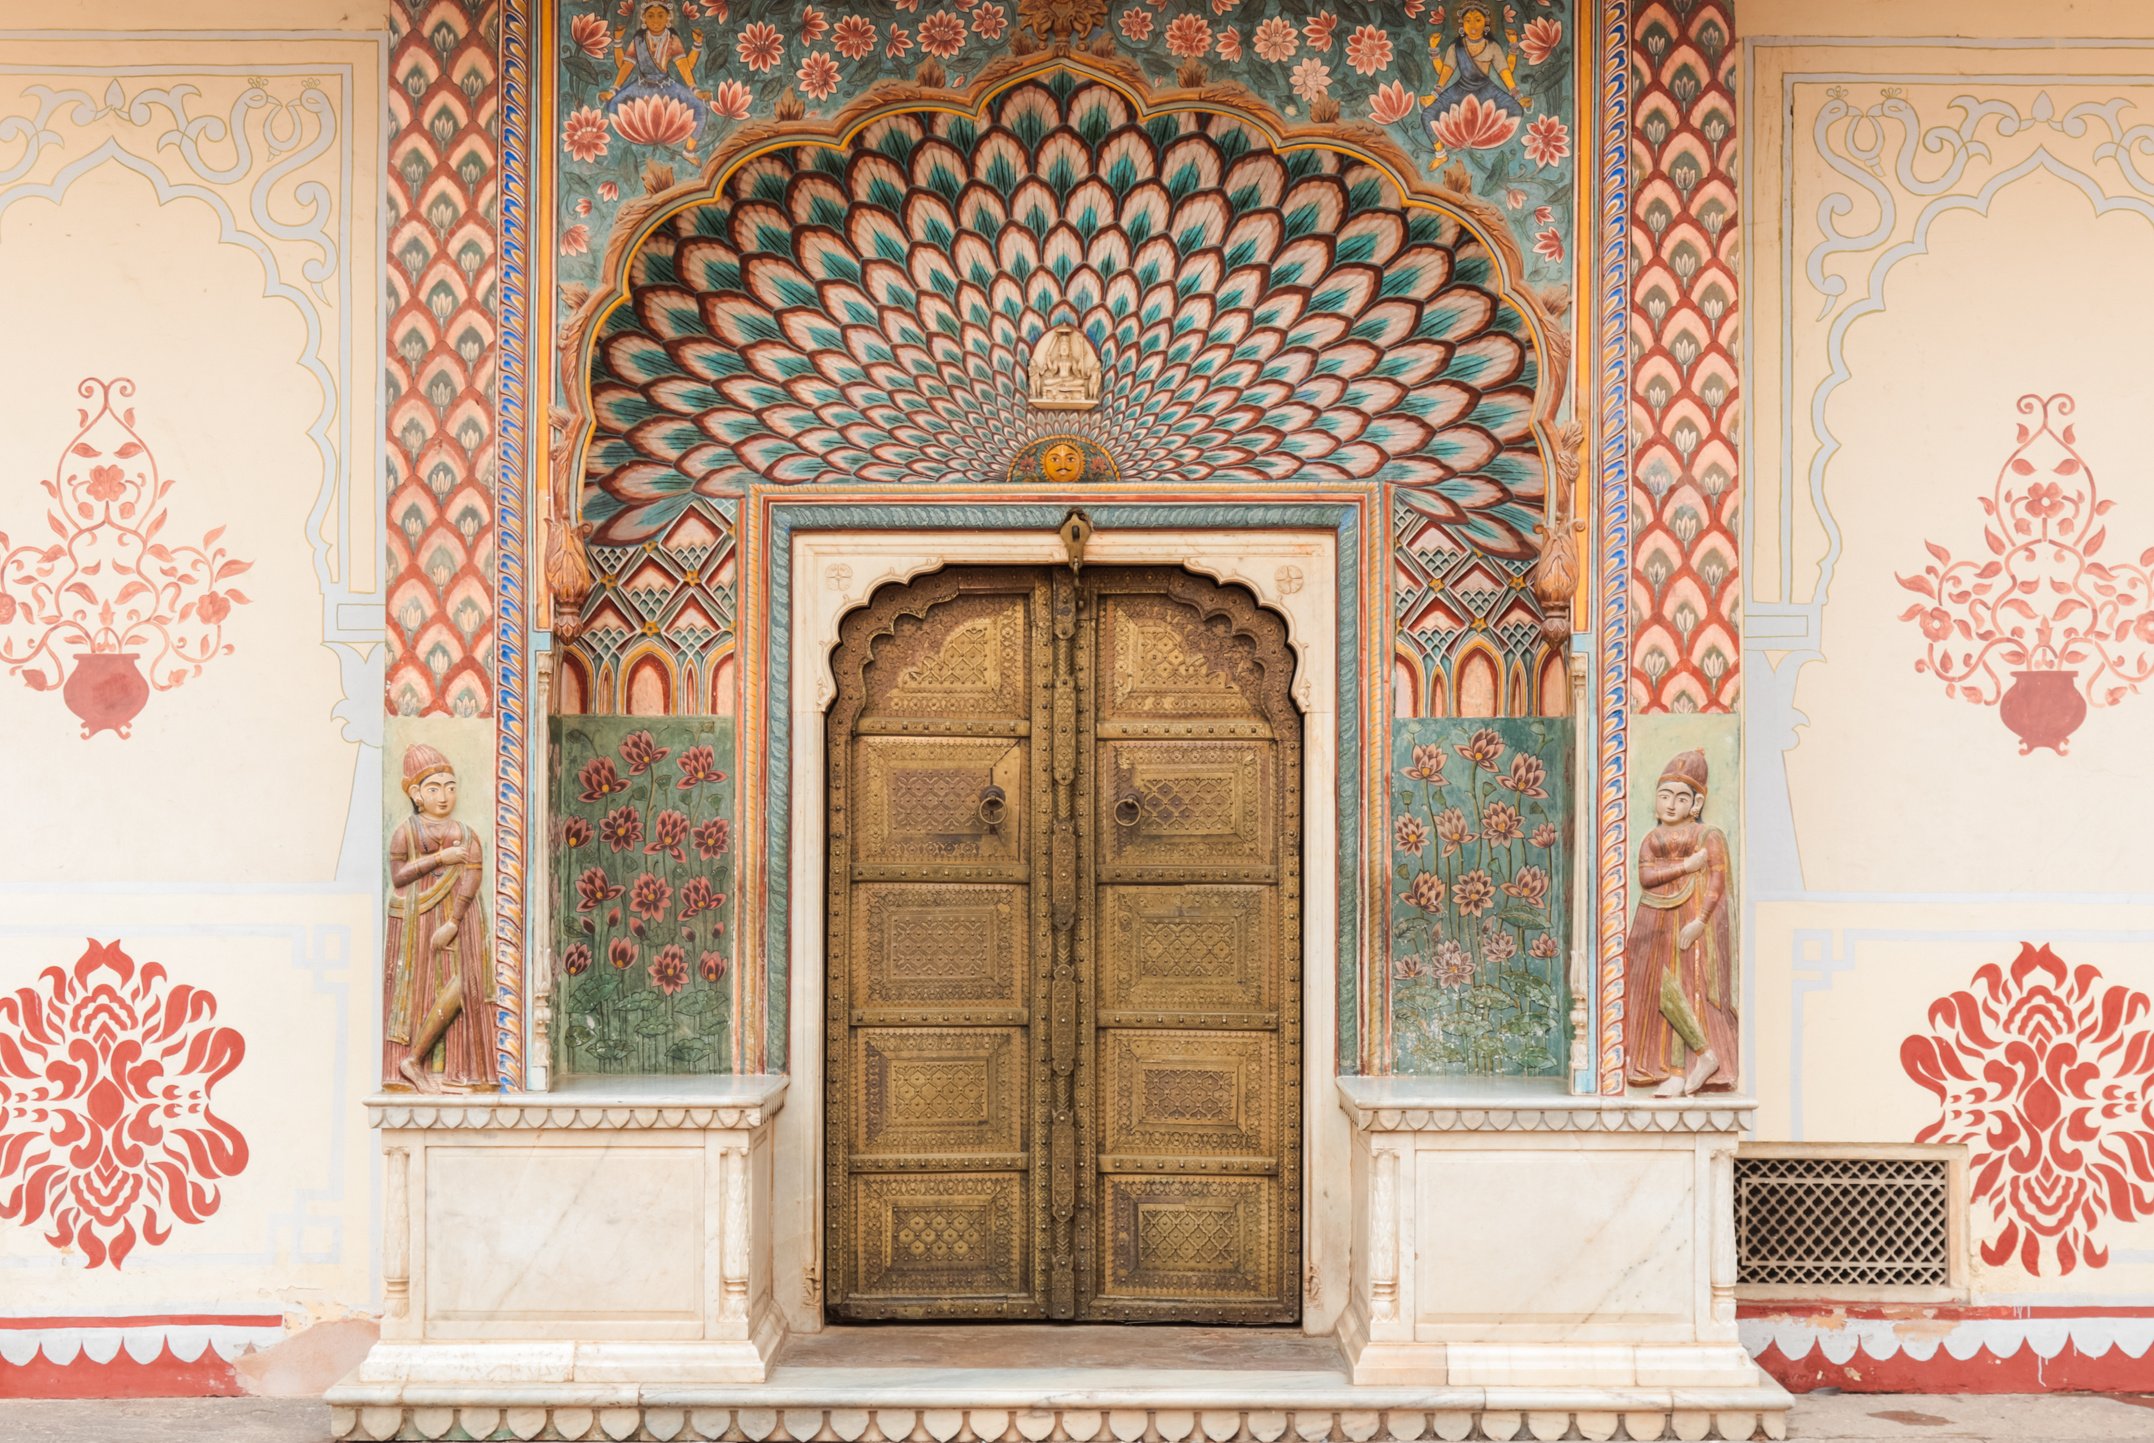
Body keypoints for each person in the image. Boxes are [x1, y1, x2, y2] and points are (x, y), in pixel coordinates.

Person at [382, 745, 496, 1093]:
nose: (444, 796)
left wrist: (454, 922)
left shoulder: (465, 832)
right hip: (416, 919)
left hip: (459, 918)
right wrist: (441, 858)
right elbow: (400, 876)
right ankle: (414, 1061)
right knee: (419, 990)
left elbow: (473, 875)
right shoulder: (407, 832)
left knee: (468, 983)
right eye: (434, 788)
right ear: (416, 794)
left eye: (450, 786)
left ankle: (434, 1063)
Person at [1623, 749, 1737, 1095]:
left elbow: (1717, 880)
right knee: (1653, 987)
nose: (1671, 805)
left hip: (1690, 918)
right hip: (1653, 917)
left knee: (1689, 987)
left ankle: (1691, 1062)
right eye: (1665, 796)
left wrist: (1701, 921)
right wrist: (1687, 867)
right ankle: (1678, 1063)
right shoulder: (1651, 839)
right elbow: (1646, 876)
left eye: (1681, 797)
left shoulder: (1708, 836)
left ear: (1696, 803)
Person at [1421, 2, 1534, 170]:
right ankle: (1440, 153)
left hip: (1486, 89)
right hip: (1460, 88)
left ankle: (1485, 139)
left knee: (1516, 110)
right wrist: (1434, 52)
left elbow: (1505, 71)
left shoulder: (1492, 46)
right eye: (1468, 20)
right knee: (1427, 115)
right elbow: (1445, 71)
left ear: (1485, 23)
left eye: (1477, 20)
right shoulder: (1456, 46)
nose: (1473, 25)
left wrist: (1517, 96)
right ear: (1462, 24)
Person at [600, 2, 712, 159]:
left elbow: (685, 66)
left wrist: (696, 89)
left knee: (700, 108)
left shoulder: (672, 38)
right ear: (644, 18)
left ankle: (688, 150)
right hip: (641, 85)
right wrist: (613, 90)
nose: (656, 20)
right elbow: (625, 65)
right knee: (613, 105)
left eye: (661, 15)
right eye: (651, 16)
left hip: (666, 85)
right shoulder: (639, 39)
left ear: (668, 18)